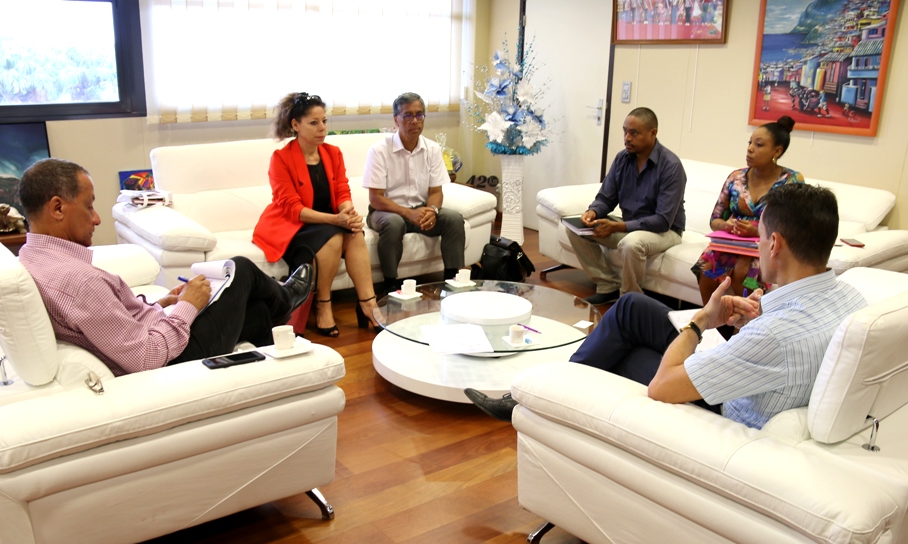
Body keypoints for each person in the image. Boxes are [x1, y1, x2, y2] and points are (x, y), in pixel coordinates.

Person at [466, 183, 867, 431]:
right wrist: (758, 319)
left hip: (723, 404)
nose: (759, 247)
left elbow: (662, 387)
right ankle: (535, 396)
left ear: (775, 244)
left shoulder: (774, 336)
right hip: (748, 373)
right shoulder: (852, 299)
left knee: (621, 354)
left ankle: (534, 401)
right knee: (630, 307)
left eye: (760, 239)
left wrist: (702, 321)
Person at [18, 158, 313, 377]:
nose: (97, 219)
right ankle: (286, 300)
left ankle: (285, 372)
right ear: (57, 208)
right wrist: (187, 306)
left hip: (157, 334)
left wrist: (163, 304)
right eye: (89, 206)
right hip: (175, 361)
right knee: (241, 270)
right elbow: (146, 357)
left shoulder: (32, 257)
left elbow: (110, 322)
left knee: (258, 313)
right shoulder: (79, 283)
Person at [253, 92, 379, 338]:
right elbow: (293, 209)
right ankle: (323, 305)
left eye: (324, 121)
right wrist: (336, 220)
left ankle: (368, 304)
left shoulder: (333, 153)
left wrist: (348, 213)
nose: (322, 128)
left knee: (355, 233)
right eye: (314, 122)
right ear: (295, 125)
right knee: (333, 235)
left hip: (328, 223)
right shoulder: (281, 158)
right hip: (294, 226)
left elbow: (342, 191)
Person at [565, 107, 686, 306]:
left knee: (632, 243)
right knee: (576, 228)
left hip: (666, 231)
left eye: (634, 133)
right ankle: (608, 285)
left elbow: (663, 220)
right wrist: (592, 211)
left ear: (653, 133)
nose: (627, 138)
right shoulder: (622, 159)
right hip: (630, 225)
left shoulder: (671, 166)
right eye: (625, 131)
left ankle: (629, 300)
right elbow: (606, 197)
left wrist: (617, 227)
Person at [692, 116, 803, 305]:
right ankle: (711, 318)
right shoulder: (736, 177)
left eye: (759, 145)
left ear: (777, 151)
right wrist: (727, 225)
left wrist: (758, 231)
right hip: (730, 244)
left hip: (767, 246)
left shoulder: (791, 181)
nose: (750, 149)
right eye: (750, 143)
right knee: (706, 267)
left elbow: (795, 226)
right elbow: (715, 219)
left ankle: (747, 321)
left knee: (744, 274)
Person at [363, 92, 466, 294]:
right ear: (396, 120)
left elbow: (436, 191)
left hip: (420, 210)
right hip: (386, 211)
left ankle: (452, 281)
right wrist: (408, 213)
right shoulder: (379, 150)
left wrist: (432, 210)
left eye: (419, 115)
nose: (415, 121)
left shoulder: (432, 149)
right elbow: (376, 198)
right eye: (408, 115)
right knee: (394, 223)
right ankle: (390, 284)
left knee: (454, 219)